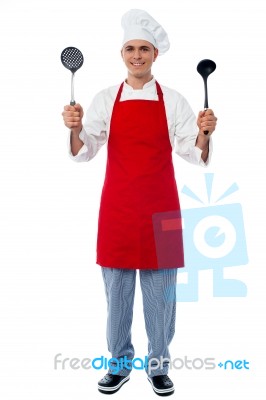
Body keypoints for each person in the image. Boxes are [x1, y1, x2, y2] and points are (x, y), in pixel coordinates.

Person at [62, 9, 217, 397]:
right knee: (117, 297)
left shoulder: (175, 101)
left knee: (161, 297)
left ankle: (158, 367)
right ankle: (118, 365)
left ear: (154, 55)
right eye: (130, 49)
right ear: (122, 54)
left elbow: (193, 153)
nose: (137, 55)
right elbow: (85, 152)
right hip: (117, 211)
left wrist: (204, 133)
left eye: (144, 49)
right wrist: (75, 127)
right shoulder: (103, 99)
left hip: (162, 211)